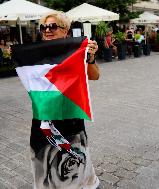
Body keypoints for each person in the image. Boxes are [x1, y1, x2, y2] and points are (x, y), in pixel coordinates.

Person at [30, 11, 100, 189]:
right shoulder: (36, 53)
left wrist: (90, 57)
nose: (47, 30)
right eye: (44, 27)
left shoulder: (75, 51)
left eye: (52, 26)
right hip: (44, 116)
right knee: (45, 160)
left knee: (75, 157)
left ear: (65, 30)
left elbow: (94, 75)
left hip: (70, 116)